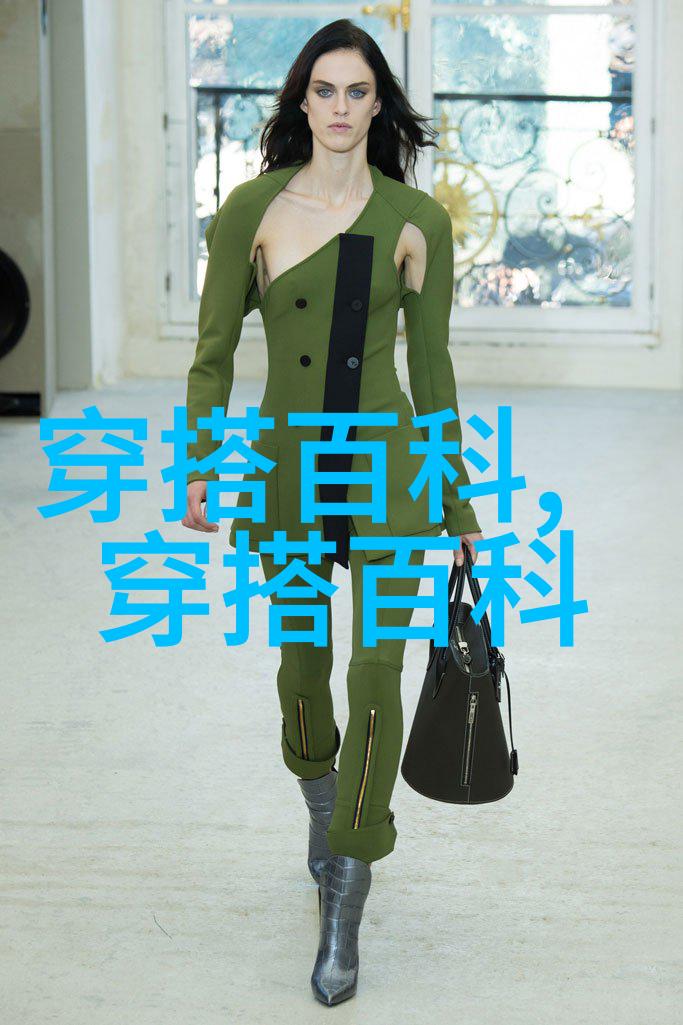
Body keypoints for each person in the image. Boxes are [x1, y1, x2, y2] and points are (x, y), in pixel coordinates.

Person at [182, 18, 483, 1007]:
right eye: (324, 90)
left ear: (377, 104)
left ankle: (346, 885)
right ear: (300, 102)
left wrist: (455, 493)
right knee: (304, 670)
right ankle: (322, 799)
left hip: (389, 470)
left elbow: (431, 372)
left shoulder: (414, 220)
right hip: (290, 468)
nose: (341, 108)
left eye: (358, 91)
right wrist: (199, 463)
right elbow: (212, 353)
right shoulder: (252, 210)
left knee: (375, 673)